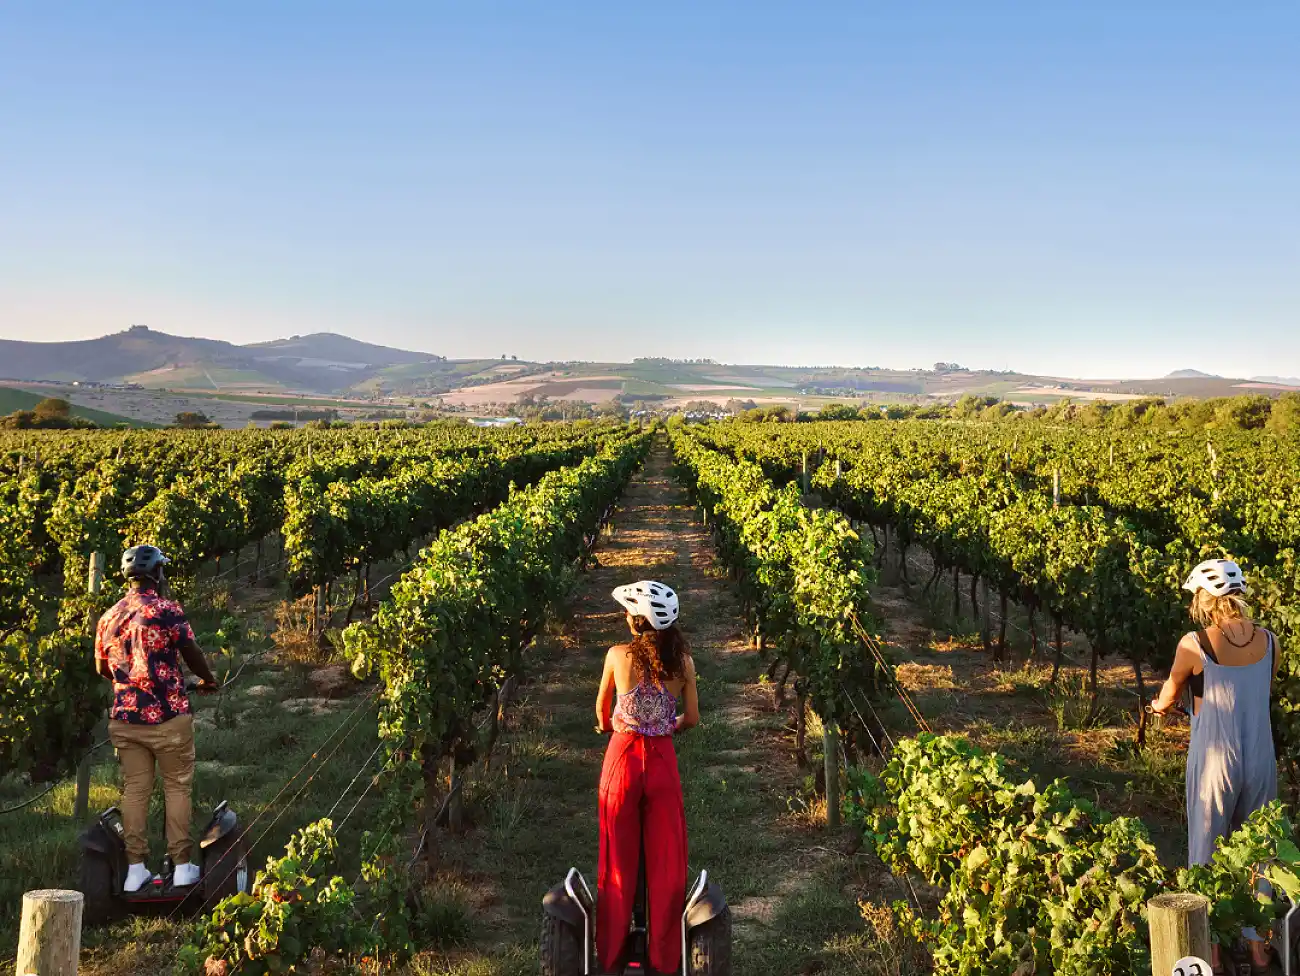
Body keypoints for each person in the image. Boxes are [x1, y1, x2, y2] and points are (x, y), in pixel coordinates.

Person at [1151, 558, 1280, 975]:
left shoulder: (1195, 643)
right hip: (1261, 757)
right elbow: (1259, 691)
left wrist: (1159, 707)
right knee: (1259, 852)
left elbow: (1171, 693)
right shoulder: (1270, 641)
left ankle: (1213, 955)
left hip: (1214, 761)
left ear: (1205, 599)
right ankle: (1260, 950)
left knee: (1206, 851)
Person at [94, 545, 219, 892]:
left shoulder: (109, 616)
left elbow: (102, 667)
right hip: (167, 717)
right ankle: (181, 867)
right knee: (176, 786)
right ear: (159, 574)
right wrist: (207, 679)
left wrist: (130, 685)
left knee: (135, 789)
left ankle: (135, 870)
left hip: (125, 718)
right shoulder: (166, 610)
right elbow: (191, 652)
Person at [595, 580, 700, 975]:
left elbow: (601, 716)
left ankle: (611, 957)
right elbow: (690, 719)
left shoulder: (616, 655)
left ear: (637, 622)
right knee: (668, 865)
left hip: (621, 759)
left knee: (616, 864)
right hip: (661, 762)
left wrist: (615, 725)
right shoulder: (684, 662)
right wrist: (665, 724)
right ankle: (663, 960)